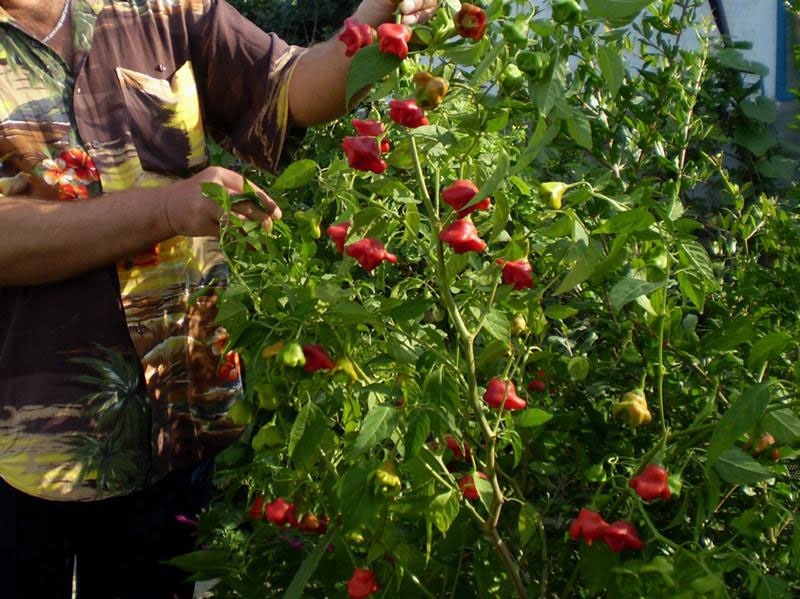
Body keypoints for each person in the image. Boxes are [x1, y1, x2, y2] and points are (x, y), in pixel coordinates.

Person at [0, 0, 435, 597]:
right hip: (20, 445)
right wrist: (168, 208)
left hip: (180, 416)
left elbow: (290, 87)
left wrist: (376, 19)